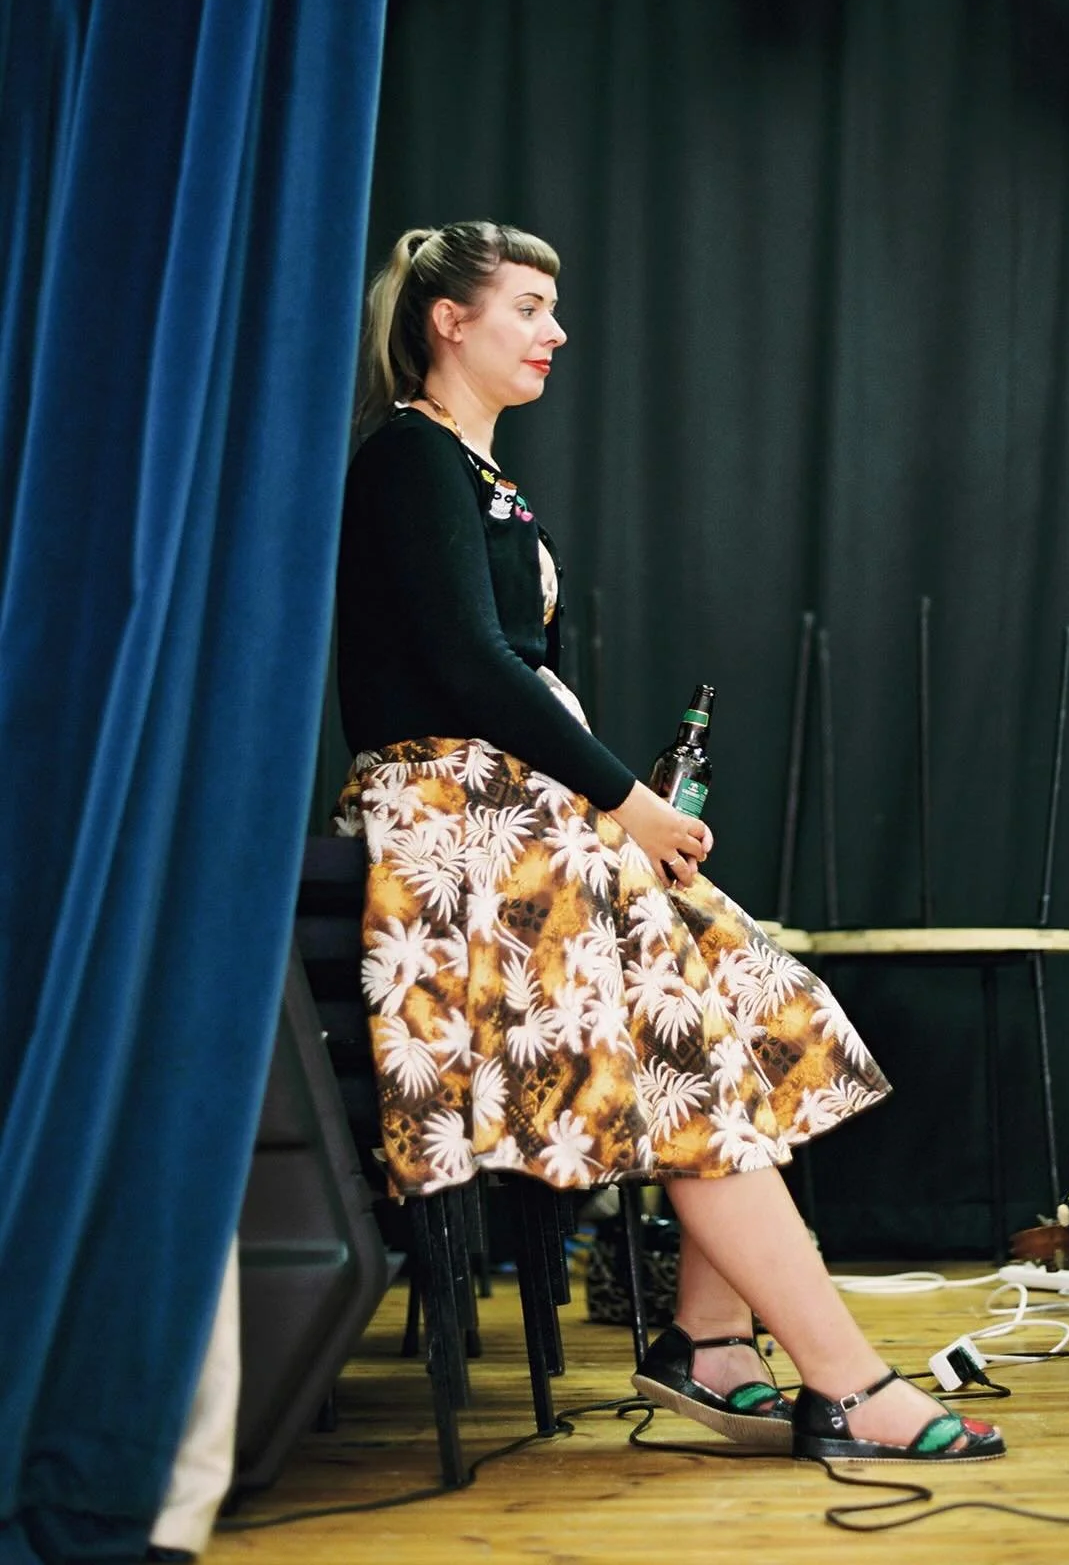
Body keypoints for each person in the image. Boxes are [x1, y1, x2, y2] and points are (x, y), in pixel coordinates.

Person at [333, 220, 1004, 1465]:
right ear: (450, 321)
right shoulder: (409, 460)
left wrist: (612, 810)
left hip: (524, 809)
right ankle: (848, 1383)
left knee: (761, 1003)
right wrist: (624, 806)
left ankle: (708, 1341)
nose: (556, 331)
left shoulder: (474, 475)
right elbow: (475, 669)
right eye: (529, 307)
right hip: (455, 827)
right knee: (684, 1042)